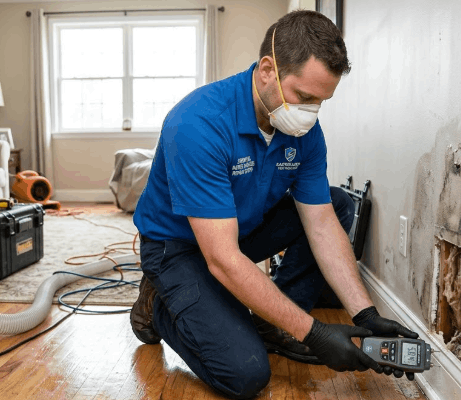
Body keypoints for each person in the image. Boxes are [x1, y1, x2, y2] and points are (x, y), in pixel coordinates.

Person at [130, 10, 419, 399]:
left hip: (238, 232)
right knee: (245, 375)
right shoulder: (199, 123)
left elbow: (320, 223)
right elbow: (222, 259)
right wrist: (315, 332)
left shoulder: (304, 132)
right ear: (267, 69)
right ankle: (160, 303)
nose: (311, 112)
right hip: (180, 248)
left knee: (335, 204)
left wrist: (365, 314)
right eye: (304, 97)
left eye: (321, 101)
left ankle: (278, 323)